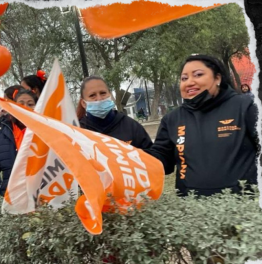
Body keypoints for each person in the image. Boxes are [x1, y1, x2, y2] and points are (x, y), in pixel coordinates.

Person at [145, 54, 259, 197]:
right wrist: (132, 157)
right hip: (192, 211)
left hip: (243, 208)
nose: (189, 82)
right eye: (184, 78)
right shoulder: (172, 119)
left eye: (198, 75)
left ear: (217, 78)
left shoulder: (246, 107)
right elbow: (161, 160)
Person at [77, 76, 153, 149]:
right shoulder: (78, 132)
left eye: (103, 93)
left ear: (110, 95)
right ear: (83, 103)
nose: (99, 98)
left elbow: (150, 158)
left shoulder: (132, 126)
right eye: (92, 95)